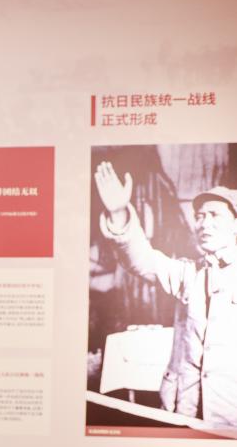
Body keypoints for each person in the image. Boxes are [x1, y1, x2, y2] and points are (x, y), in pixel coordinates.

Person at [95, 161, 237, 425]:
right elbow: (142, 260)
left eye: (214, 215)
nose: (203, 223)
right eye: (200, 216)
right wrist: (118, 213)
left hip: (230, 416)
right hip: (184, 408)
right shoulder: (190, 273)